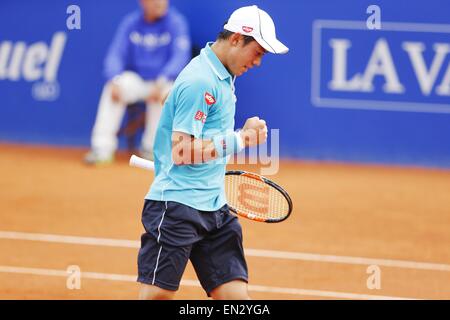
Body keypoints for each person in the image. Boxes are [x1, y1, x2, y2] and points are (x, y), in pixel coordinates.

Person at [137, 5, 288, 300]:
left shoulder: (221, 75)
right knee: (157, 296)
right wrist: (241, 139)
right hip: (177, 207)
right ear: (235, 40)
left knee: (235, 298)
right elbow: (181, 152)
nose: (258, 62)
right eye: (257, 52)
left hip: (215, 208)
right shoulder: (200, 80)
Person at [85, 0, 191, 164]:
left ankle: (151, 148)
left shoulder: (176, 22)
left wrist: (162, 79)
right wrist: (114, 78)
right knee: (113, 88)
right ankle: (102, 148)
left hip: (162, 81)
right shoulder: (131, 23)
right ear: (143, 2)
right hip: (138, 80)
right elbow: (115, 54)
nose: (161, 3)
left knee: (168, 95)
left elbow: (180, 57)